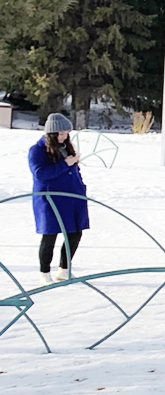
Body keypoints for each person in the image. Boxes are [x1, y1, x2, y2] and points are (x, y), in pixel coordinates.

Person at [29, 113, 89, 283]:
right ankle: (44, 273)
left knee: (75, 233)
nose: (64, 136)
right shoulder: (37, 150)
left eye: (66, 133)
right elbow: (40, 174)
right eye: (60, 133)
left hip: (73, 198)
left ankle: (64, 269)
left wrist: (81, 187)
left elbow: (73, 172)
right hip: (51, 200)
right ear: (51, 134)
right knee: (50, 235)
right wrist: (65, 164)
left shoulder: (66, 147)